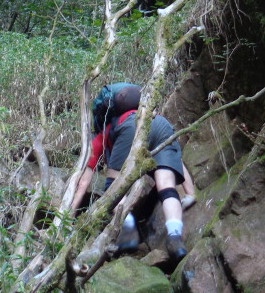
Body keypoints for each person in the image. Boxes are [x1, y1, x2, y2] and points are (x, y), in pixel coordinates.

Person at [71, 85, 191, 262]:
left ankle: (128, 232)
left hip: (130, 127)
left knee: (113, 185)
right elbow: (178, 161)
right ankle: (175, 237)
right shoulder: (153, 116)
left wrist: (69, 216)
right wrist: (191, 193)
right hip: (162, 125)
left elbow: (83, 183)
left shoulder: (104, 133)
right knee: (166, 187)